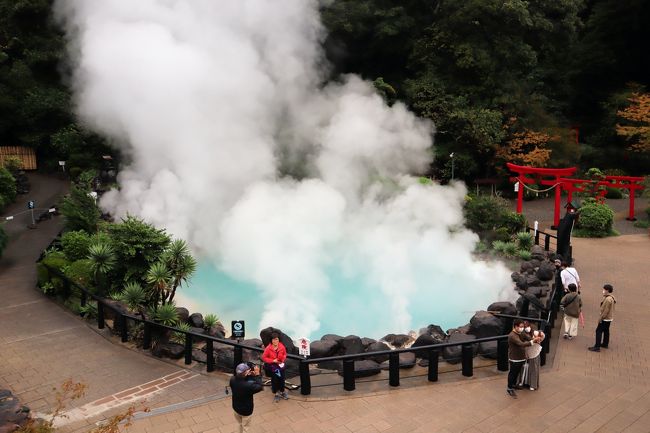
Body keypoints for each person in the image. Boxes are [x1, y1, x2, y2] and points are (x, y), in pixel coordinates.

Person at [507, 319, 541, 398]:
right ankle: (509, 388)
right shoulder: (512, 335)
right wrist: (533, 341)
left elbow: (527, 337)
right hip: (514, 358)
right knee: (512, 373)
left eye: (523, 327)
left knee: (517, 372)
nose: (522, 328)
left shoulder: (520, 333)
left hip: (521, 357)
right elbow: (521, 344)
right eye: (521, 327)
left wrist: (534, 339)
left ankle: (513, 385)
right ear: (516, 326)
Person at [229, 362, 263, 433]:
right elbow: (260, 387)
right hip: (246, 410)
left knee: (240, 424)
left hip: (236, 408)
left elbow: (242, 380)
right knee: (246, 427)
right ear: (245, 373)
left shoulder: (232, 380)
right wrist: (257, 375)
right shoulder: (249, 386)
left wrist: (249, 375)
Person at [517, 322, 545, 391]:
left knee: (533, 369)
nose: (527, 328)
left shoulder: (535, 333)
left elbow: (543, 336)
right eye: (525, 327)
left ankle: (533, 384)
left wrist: (540, 337)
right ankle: (522, 382)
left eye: (527, 326)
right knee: (523, 368)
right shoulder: (521, 334)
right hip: (526, 352)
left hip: (534, 352)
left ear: (530, 326)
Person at [589, 284, 616, 352]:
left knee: (598, 331)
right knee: (606, 330)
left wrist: (601, 318)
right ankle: (605, 343)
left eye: (604, 289)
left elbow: (606, 310)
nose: (603, 291)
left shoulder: (607, 299)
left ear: (607, 290)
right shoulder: (611, 298)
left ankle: (597, 346)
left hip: (605, 318)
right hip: (609, 318)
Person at [262, 332, 288, 402]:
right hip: (274, 367)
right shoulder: (268, 348)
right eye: (273, 340)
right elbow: (264, 358)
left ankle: (282, 392)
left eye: (276, 339)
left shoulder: (282, 346)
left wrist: (282, 359)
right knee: (275, 379)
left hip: (281, 366)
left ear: (279, 339)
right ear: (271, 340)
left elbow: (285, 354)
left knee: (282, 379)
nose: (275, 341)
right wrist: (273, 360)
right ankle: (276, 393)